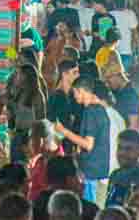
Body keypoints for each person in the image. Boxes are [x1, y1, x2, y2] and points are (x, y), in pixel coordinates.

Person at [55, 77, 111, 207]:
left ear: (81, 91)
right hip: (97, 170)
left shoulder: (91, 111)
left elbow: (88, 144)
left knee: (89, 208)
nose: (74, 97)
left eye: (74, 93)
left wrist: (64, 131)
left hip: (91, 171)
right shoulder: (99, 109)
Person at [101, 63, 139, 130]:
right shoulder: (117, 92)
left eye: (108, 80)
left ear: (117, 75)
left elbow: (133, 127)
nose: (107, 84)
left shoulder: (131, 95)